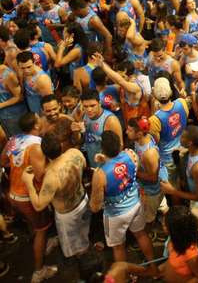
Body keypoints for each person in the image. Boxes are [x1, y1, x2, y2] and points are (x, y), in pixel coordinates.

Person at [89, 130, 157, 268]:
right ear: (119, 144)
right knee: (141, 234)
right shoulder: (130, 154)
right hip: (135, 205)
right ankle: (154, 266)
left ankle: (123, 277)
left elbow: (95, 207)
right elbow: (127, 171)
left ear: (102, 149)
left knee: (118, 247)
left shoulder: (100, 174)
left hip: (115, 215)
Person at [1, 113, 56, 282]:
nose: (41, 119)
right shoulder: (36, 146)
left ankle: (40, 242)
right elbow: (40, 176)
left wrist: (19, 166)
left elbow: (3, 162)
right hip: (27, 197)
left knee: (34, 225)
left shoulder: (14, 139)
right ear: (36, 126)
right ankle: (39, 271)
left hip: (13, 194)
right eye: (39, 118)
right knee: (42, 230)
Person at [22, 129, 90, 260]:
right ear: (61, 145)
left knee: (76, 246)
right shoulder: (75, 153)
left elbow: (39, 205)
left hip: (68, 214)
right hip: (83, 200)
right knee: (84, 232)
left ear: (44, 154)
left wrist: (28, 183)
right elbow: (84, 167)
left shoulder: (51, 176)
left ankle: (85, 264)